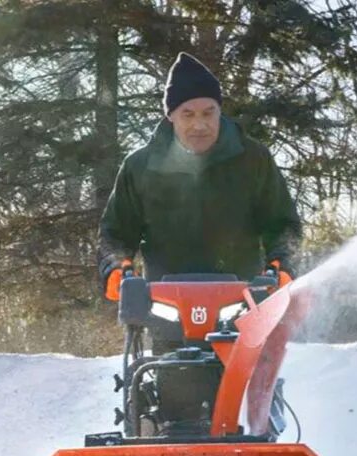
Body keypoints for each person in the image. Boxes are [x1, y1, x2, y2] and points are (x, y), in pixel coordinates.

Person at [97, 52, 301, 301]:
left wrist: (282, 265)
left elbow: (283, 224)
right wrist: (116, 267)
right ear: (171, 115)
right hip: (164, 301)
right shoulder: (140, 166)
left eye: (208, 112)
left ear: (219, 110)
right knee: (162, 336)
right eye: (188, 114)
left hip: (243, 299)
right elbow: (115, 233)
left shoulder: (253, 158)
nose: (200, 124)